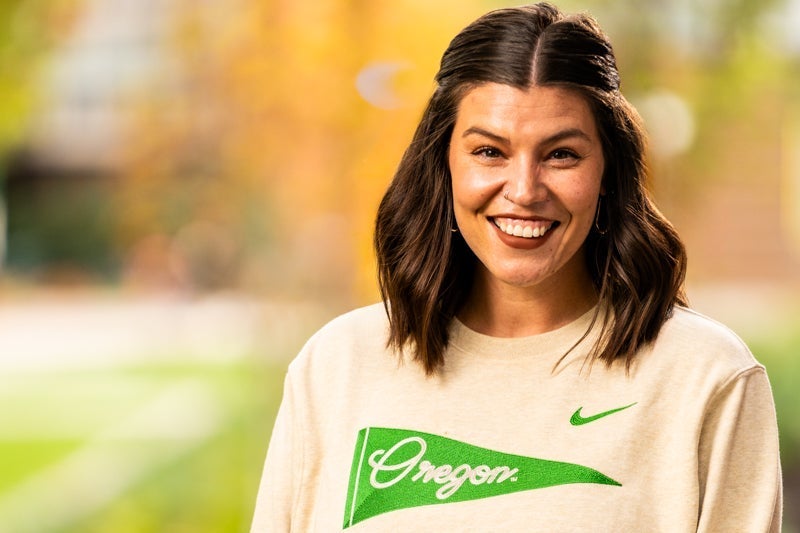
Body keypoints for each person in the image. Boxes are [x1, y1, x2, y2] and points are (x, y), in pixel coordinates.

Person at [251, 3, 783, 531]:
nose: (525, 191)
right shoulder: (338, 365)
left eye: (561, 154)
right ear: (443, 163)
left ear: (608, 172)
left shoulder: (703, 375)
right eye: (489, 152)